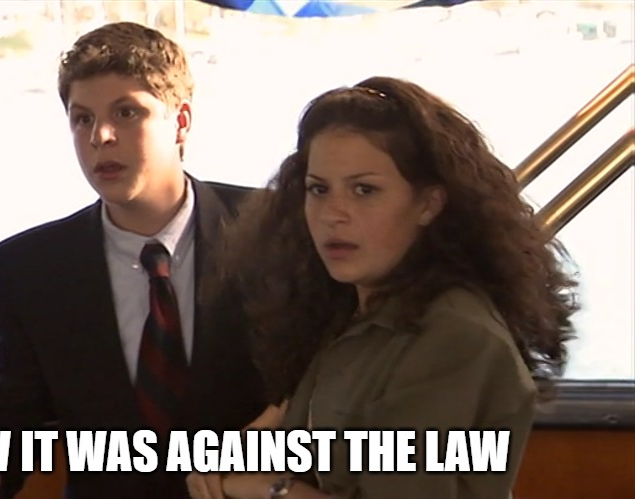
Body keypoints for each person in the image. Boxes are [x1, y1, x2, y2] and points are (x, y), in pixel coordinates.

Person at [186, 77, 579, 499]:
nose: (333, 214)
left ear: (428, 204)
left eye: (364, 190)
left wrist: (272, 490)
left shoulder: (454, 337)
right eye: (319, 189)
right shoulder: (349, 314)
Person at [0, 22, 268, 499]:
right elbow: (10, 411)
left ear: (181, 121)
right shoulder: (31, 268)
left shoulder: (270, 230)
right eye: (82, 119)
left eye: (126, 113)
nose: (100, 136)